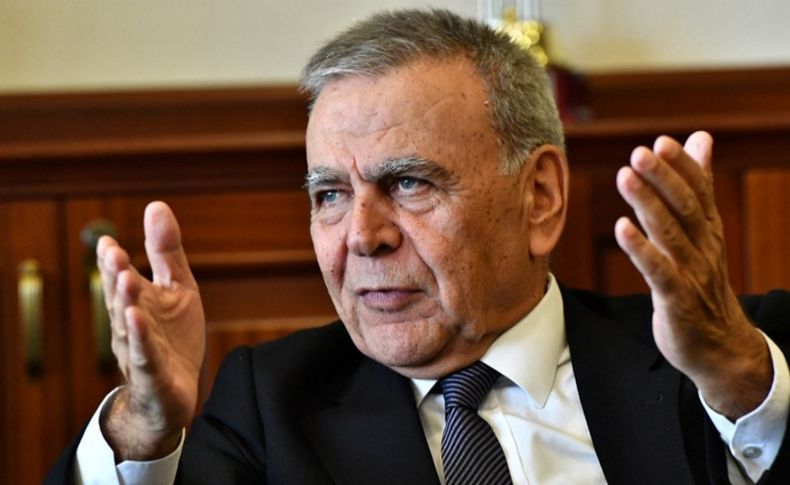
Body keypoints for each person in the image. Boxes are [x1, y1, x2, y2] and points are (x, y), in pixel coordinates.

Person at [48, 9, 788, 485]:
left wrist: (738, 377)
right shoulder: (271, 404)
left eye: (407, 182)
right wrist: (143, 427)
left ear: (538, 197)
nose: (362, 236)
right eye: (329, 194)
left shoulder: (722, 362)